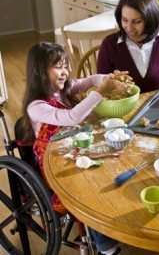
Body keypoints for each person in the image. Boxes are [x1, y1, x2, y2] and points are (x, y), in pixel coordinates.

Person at [20, 42, 131, 255]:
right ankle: (103, 243)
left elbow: (90, 80)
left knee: (107, 169)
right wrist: (100, 93)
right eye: (57, 67)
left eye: (66, 66)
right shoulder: (36, 107)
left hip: (73, 148)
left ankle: (113, 219)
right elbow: (72, 117)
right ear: (38, 70)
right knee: (83, 188)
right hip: (52, 161)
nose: (64, 72)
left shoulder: (65, 90)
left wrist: (109, 79)